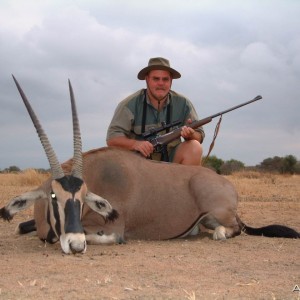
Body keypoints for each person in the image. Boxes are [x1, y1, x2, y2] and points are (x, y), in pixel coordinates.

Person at [106, 57, 204, 165]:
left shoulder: (183, 104)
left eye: (165, 79)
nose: (161, 83)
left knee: (195, 147)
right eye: (156, 79)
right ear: (147, 79)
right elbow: (112, 139)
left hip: (171, 167)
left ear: (171, 81)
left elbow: (199, 136)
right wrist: (135, 144)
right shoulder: (128, 104)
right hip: (137, 166)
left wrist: (190, 135)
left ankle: (178, 182)